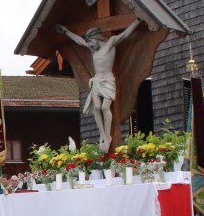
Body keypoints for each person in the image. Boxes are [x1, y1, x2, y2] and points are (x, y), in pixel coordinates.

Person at [56, 18, 143, 149]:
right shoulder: (93, 50)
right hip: (96, 81)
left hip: (107, 80)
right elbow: (79, 41)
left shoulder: (110, 43)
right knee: (97, 107)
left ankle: (108, 136)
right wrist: (66, 32)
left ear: (96, 38)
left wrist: (137, 21)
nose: (90, 45)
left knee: (104, 108)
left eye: (91, 41)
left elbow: (125, 34)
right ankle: (103, 136)